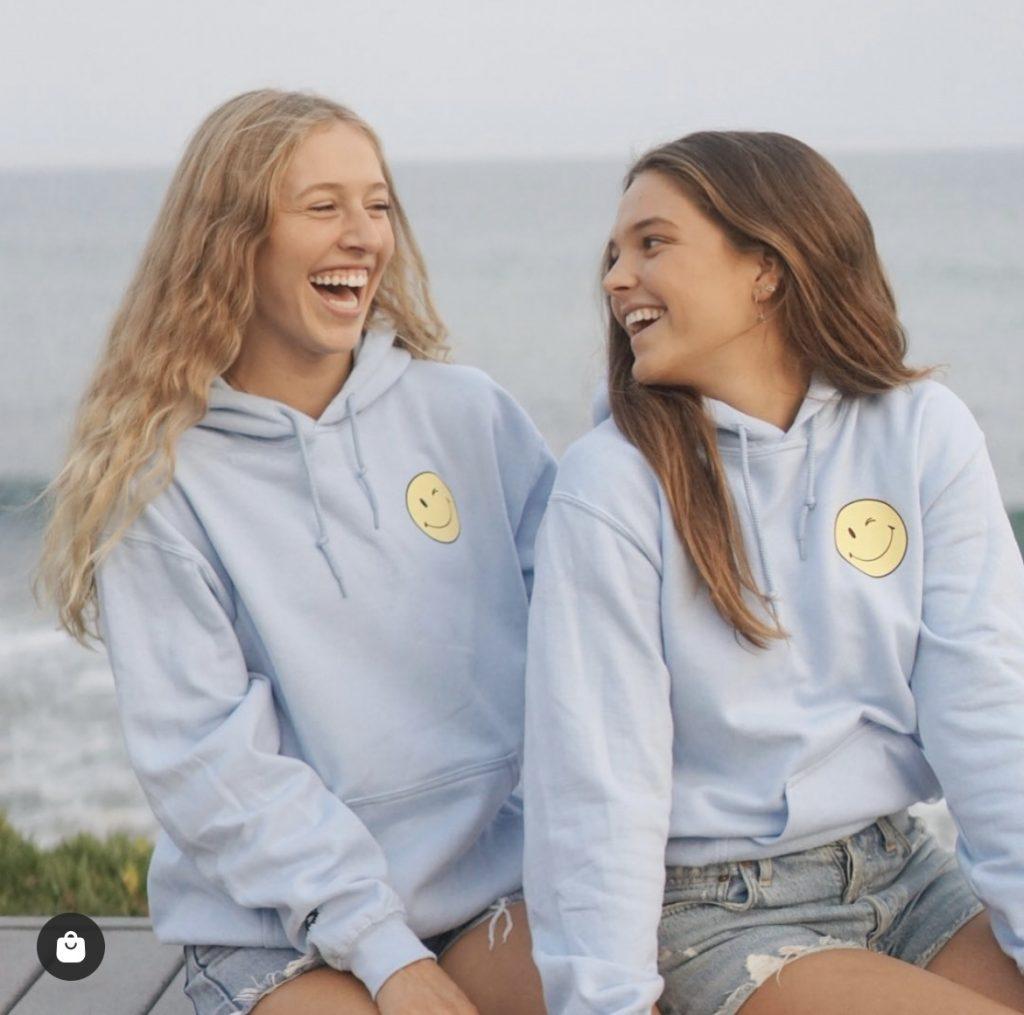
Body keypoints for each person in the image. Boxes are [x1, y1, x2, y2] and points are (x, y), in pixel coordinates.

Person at [38, 89, 553, 1015]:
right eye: (323, 207)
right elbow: (212, 765)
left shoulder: (469, 415)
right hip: (279, 926)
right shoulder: (162, 483)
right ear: (232, 241)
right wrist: (385, 950)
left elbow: (588, 644)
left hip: (492, 891)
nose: (363, 234)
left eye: (378, 205)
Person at [521, 131, 1024, 1014]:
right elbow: (597, 783)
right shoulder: (615, 483)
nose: (614, 279)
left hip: (904, 869)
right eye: (614, 253)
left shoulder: (920, 432)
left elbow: (989, 714)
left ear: (767, 266)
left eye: (652, 243)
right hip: (719, 913)